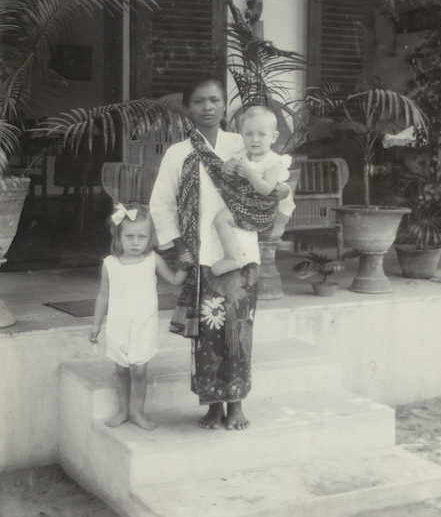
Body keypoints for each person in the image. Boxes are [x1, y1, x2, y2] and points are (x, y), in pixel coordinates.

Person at [149, 78, 290, 431]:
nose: (207, 106)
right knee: (208, 334)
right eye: (199, 101)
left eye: (214, 99)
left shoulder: (243, 142)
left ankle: (236, 403)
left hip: (240, 251)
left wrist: (281, 191)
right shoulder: (178, 153)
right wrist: (179, 246)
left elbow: (277, 180)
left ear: (225, 105)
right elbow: (161, 204)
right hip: (202, 254)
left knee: (238, 330)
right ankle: (213, 405)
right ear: (188, 107)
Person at [89, 202, 191, 431]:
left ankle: (137, 412)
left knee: (139, 370)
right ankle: (123, 410)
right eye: (129, 236)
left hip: (143, 324)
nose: (135, 242)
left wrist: (184, 267)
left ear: (150, 238)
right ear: (118, 236)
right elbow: (103, 296)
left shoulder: (152, 259)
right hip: (118, 324)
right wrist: (96, 324)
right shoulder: (110, 264)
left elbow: (174, 280)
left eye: (142, 237)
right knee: (121, 370)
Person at [212, 105, 295, 276]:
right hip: (245, 203)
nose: (254, 140)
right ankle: (231, 257)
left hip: (260, 211)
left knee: (221, 219)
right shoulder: (243, 154)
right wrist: (227, 166)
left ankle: (231, 257)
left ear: (274, 137)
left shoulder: (272, 161)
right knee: (220, 218)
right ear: (242, 135)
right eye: (249, 134)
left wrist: (250, 174)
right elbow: (227, 167)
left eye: (261, 134)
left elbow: (266, 189)